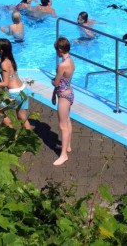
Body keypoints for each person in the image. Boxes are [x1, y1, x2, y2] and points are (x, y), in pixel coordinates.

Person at [0, 39, 33, 130]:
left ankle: (11, 132)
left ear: (1, 51)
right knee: (22, 117)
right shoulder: (10, 59)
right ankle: (30, 140)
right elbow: (2, 63)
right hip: (23, 90)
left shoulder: (4, 64)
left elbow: (5, 83)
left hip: (15, 94)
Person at [52, 37, 75, 166]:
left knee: (62, 125)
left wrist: (52, 80)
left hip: (63, 97)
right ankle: (68, 146)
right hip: (70, 93)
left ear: (60, 50)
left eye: (56, 50)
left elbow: (56, 82)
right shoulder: (71, 61)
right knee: (67, 120)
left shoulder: (62, 65)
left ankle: (63, 155)